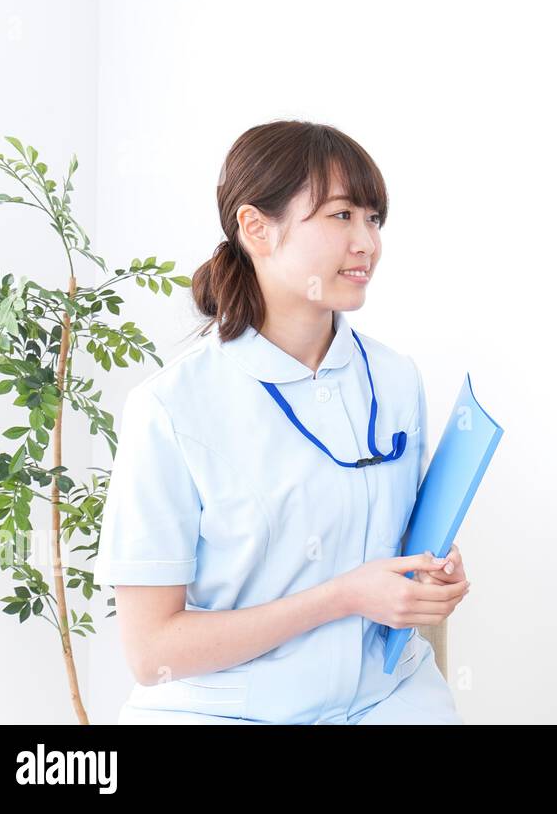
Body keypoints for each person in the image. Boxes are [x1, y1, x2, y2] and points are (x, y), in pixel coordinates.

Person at [93, 120, 470, 724]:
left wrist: (432, 577)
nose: (367, 242)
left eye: (374, 218)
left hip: (388, 698)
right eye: (341, 215)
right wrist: (344, 596)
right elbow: (151, 650)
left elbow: (399, 548)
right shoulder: (171, 408)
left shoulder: (396, 378)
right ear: (256, 228)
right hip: (231, 711)